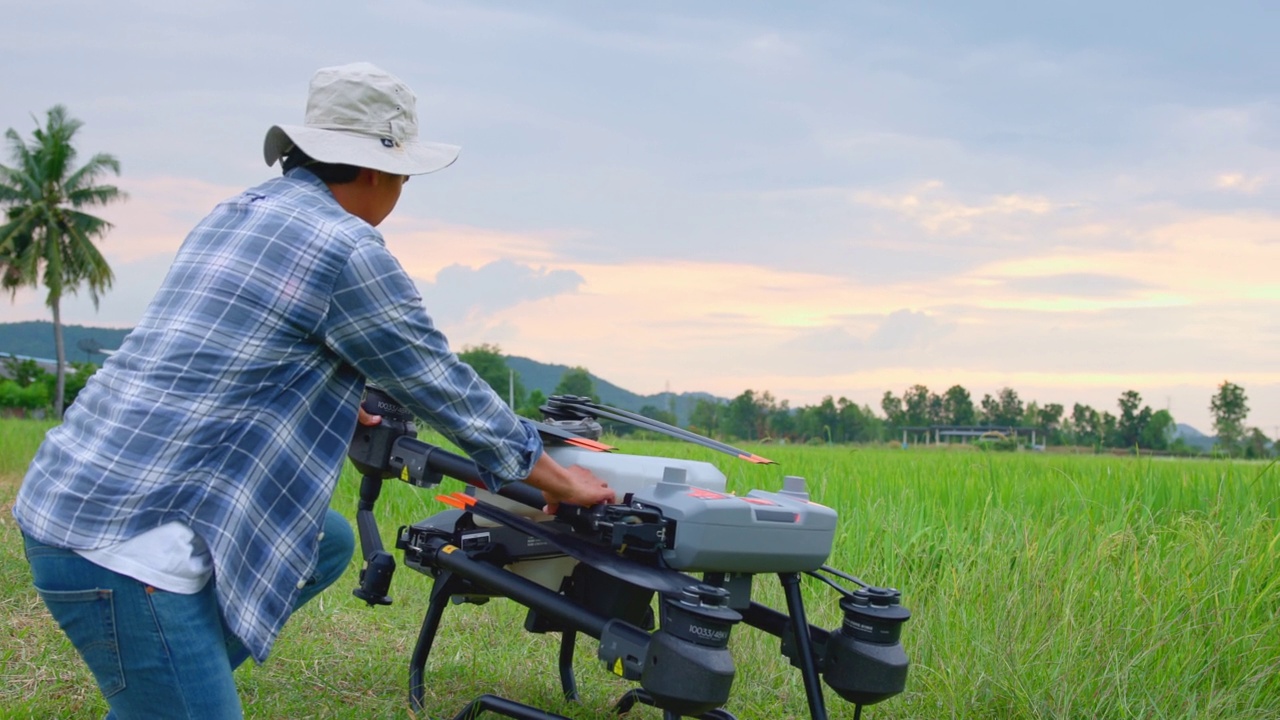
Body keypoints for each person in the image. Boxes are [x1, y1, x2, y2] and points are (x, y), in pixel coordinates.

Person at [13, 62, 616, 719]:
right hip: (131, 548)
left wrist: (327, 393)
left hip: (71, 496)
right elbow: (441, 383)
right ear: (376, 170)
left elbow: (230, 345)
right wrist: (559, 481)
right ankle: (169, 687)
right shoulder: (347, 249)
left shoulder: (240, 212)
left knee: (321, 542)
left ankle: (165, 689)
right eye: (406, 176)